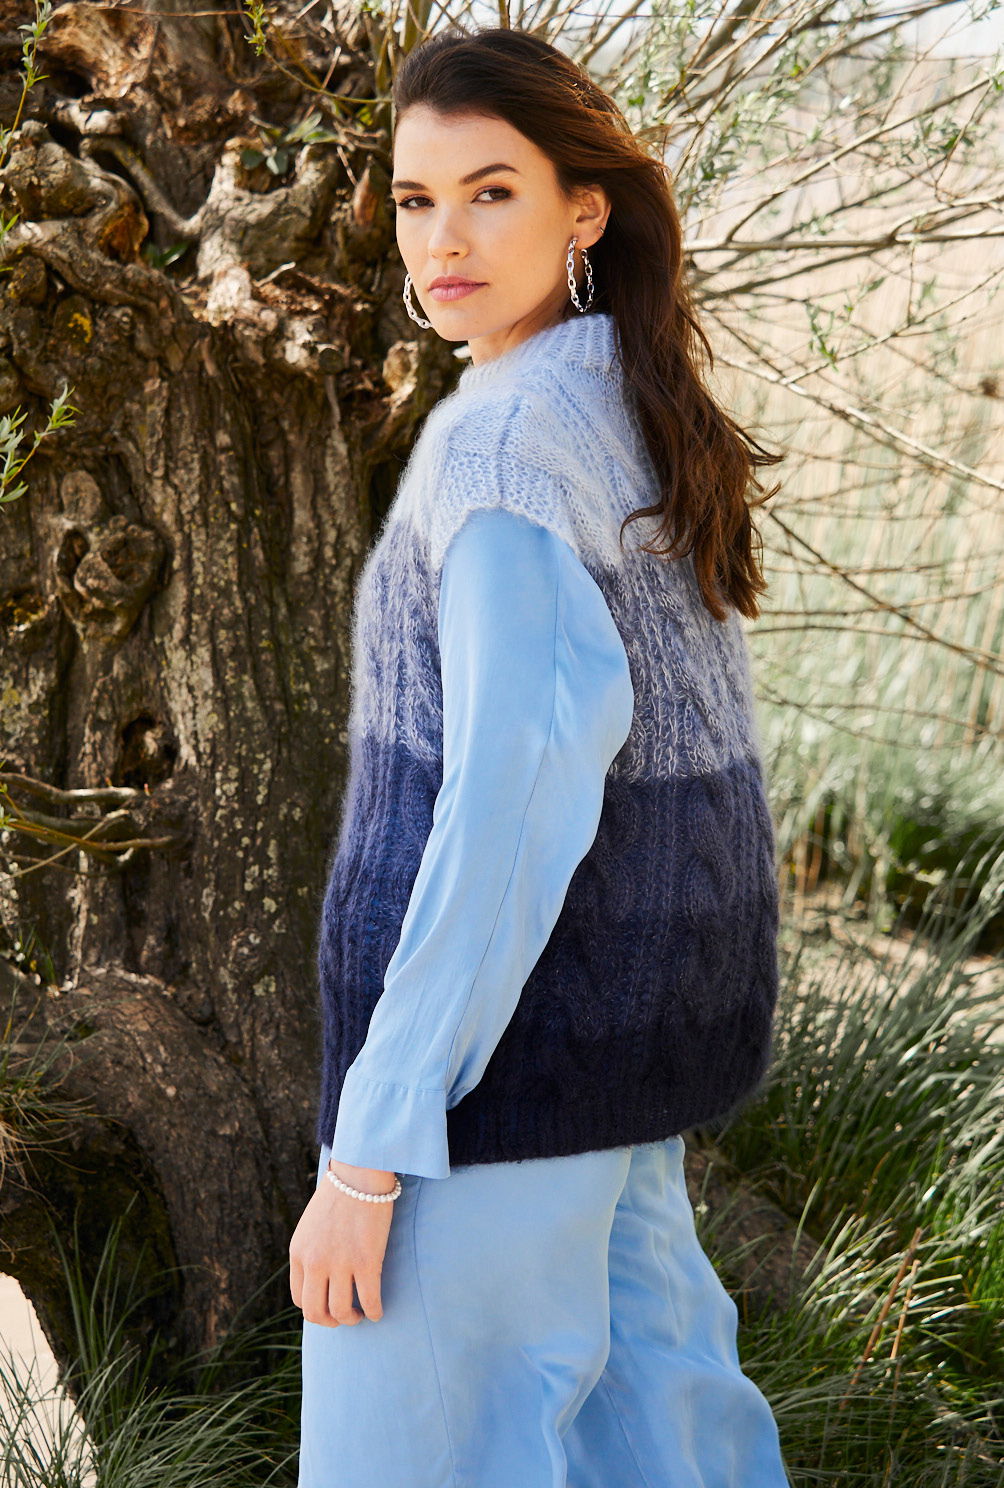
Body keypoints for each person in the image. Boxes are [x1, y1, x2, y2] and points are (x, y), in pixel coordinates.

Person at [290, 23, 791, 1488]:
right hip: (619, 1069)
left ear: (586, 211)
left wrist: (373, 1144)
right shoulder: (624, 404)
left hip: (486, 1102)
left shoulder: (505, 448)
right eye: (415, 198)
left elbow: (509, 806)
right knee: (671, 1456)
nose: (442, 239)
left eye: (491, 192)